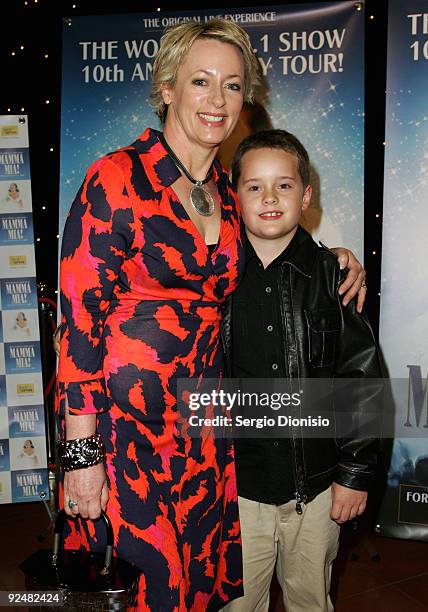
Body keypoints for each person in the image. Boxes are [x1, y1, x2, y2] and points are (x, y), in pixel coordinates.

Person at [55, 19, 366, 612]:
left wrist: (335, 261)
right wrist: (82, 455)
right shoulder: (117, 179)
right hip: (125, 439)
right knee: (138, 591)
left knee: (203, 594)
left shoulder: (228, 191)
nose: (217, 99)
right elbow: (79, 325)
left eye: (231, 84)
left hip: (205, 437)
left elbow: (276, 263)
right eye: (201, 81)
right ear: (168, 87)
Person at [221, 129, 381, 612]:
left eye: (284, 185)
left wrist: (354, 473)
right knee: (234, 605)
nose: (269, 198)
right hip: (234, 488)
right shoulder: (210, 275)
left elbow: (361, 380)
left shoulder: (334, 276)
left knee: (311, 600)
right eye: (254, 186)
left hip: (313, 491)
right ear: (235, 195)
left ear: (306, 195)